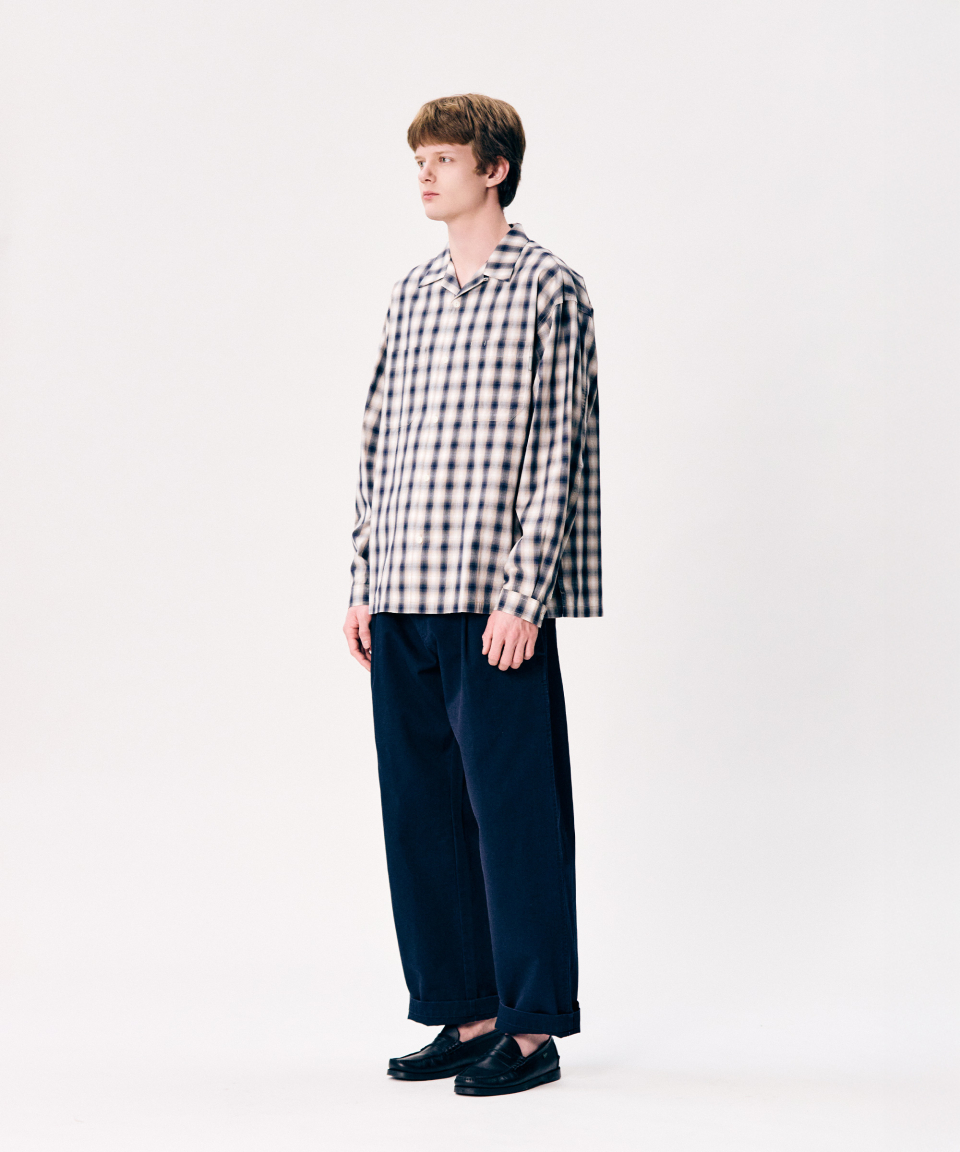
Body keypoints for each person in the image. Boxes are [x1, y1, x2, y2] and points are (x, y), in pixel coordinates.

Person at [343, 93, 602, 1096]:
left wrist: (526, 595)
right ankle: (467, 1011)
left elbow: (559, 447)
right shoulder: (410, 294)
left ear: (494, 169)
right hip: (403, 592)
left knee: (515, 816)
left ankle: (532, 1031)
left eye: (443, 158)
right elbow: (378, 441)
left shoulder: (548, 287)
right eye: (419, 159)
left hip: (492, 601)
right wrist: (363, 581)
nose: (424, 173)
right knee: (422, 818)